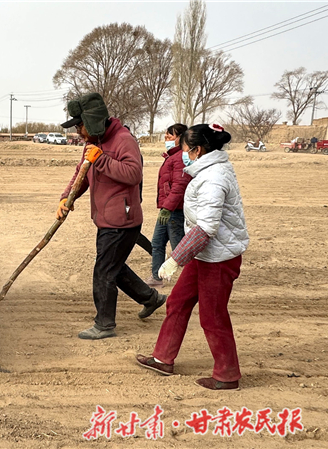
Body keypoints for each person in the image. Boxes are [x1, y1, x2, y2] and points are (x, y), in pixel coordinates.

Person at [136, 123, 249, 391]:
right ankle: (163, 358)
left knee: (212, 315)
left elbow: (207, 228)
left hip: (219, 258)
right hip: (205, 255)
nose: (181, 152)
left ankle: (227, 375)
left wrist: (175, 258)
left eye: (184, 148)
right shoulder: (207, 172)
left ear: (197, 150)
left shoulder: (214, 178)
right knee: (177, 301)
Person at [57, 93, 166, 340]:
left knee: (104, 271)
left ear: (92, 120)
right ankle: (151, 298)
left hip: (122, 221)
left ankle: (105, 324)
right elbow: (81, 174)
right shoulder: (93, 142)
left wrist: (102, 160)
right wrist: (66, 198)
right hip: (107, 218)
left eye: (79, 125)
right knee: (113, 267)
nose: (78, 131)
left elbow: (133, 174)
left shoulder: (123, 140)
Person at [146, 123, 190, 288]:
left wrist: (168, 208)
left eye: (170, 136)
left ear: (180, 138)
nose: (166, 138)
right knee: (157, 243)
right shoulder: (171, 157)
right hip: (166, 210)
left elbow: (179, 186)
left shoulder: (180, 158)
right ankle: (157, 277)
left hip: (174, 211)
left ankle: (195, 278)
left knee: (179, 248)